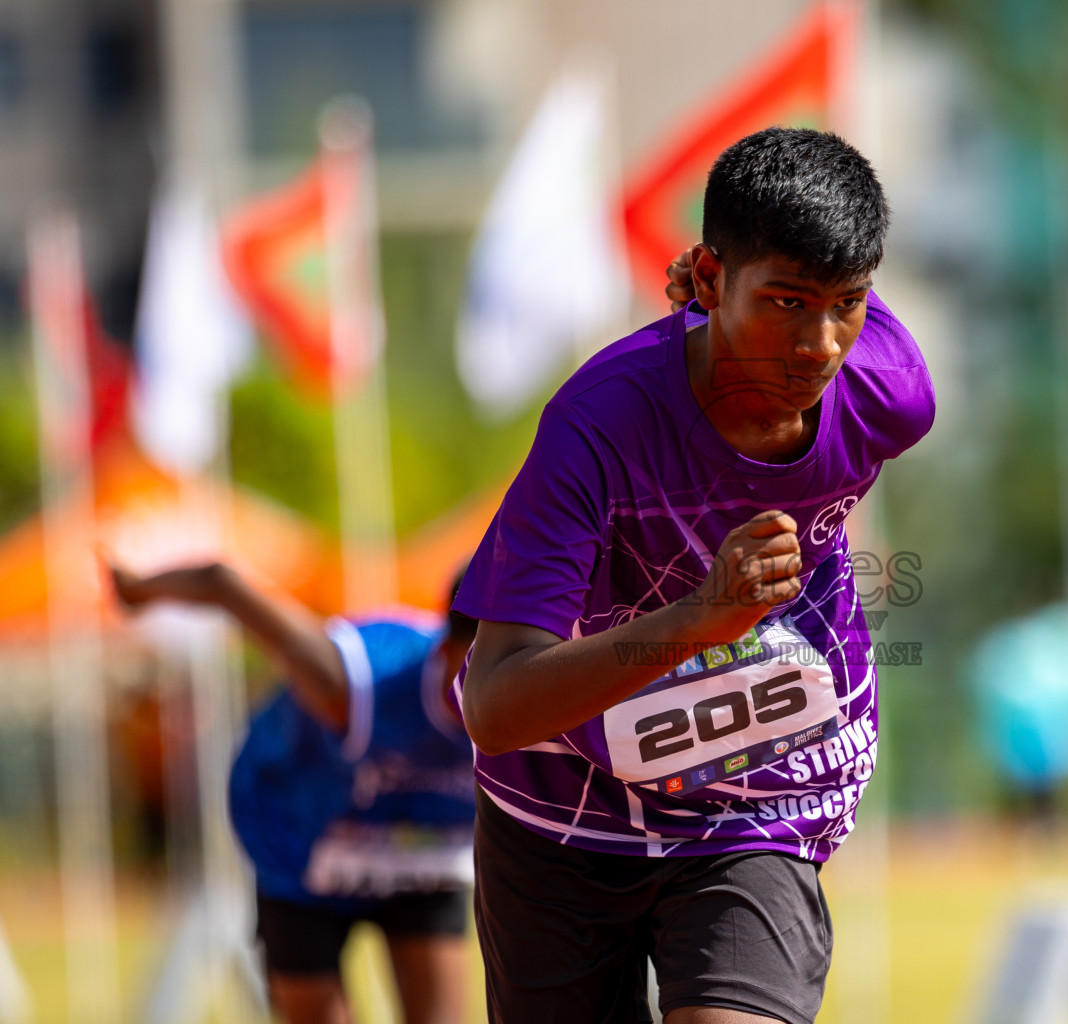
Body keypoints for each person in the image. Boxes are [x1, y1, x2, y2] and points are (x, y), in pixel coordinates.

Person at [454, 126, 935, 1024]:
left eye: (848, 304)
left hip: (758, 786)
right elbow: (496, 704)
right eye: (787, 302)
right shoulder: (596, 428)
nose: (819, 345)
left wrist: (746, 305)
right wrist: (702, 617)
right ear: (711, 279)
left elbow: (828, 312)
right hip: (561, 805)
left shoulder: (890, 395)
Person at [107, 558, 478, 1024]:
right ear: (445, 651)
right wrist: (136, 589)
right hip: (300, 846)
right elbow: (222, 582)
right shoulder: (357, 682)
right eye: (482, 665)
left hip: (422, 847)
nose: (501, 685)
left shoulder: (539, 696)